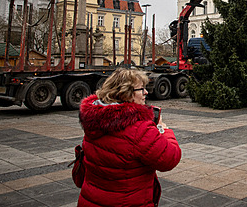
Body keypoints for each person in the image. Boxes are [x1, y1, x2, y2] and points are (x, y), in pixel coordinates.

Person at [78, 68, 181, 207]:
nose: (146, 92)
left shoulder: (94, 121)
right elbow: (169, 158)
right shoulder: (140, 129)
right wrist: (163, 129)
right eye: (141, 89)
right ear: (126, 93)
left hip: (90, 200)